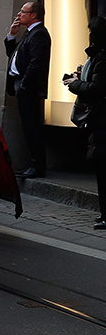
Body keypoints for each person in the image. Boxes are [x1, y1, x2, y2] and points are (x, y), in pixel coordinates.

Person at [63, 18, 106, 232]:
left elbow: (97, 88)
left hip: (102, 120)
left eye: (91, 31)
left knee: (103, 167)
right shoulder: (97, 57)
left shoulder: (101, 57)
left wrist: (75, 84)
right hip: (100, 120)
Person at [5, 1, 51, 179]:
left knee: (32, 126)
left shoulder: (39, 34)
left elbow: (36, 63)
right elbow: (12, 54)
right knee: (27, 125)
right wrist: (12, 35)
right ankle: (33, 163)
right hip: (21, 84)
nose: (19, 14)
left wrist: (24, 85)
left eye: (23, 11)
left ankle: (37, 165)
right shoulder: (29, 32)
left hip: (29, 87)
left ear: (33, 15)